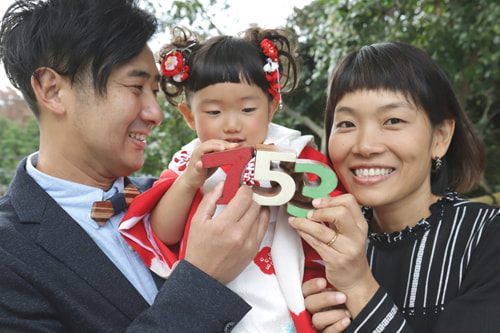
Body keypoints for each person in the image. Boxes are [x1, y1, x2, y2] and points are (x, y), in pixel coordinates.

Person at [0, 0, 271, 331]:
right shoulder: (9, 253)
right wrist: (202, 281)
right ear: (53, 90)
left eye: (155, 92)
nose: (155, 114)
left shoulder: (176, 195)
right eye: (136, 87)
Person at [118, 26, 344, 332]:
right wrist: (189, 182)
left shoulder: (294, 154)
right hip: (209, 305)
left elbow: (328, 210)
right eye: (213, 112)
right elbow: (163, 232)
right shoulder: (189, 162)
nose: (232, 124)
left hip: (280, 301)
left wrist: (289, 179)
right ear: (188, 115)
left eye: (248, 109)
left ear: (272, 107)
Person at [289, 41, 500, 332]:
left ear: (440, 137)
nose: (365, 146)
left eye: (393, 120)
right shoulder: (314, 244)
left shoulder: (487, 236)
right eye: (347, 124)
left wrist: (357, 285)